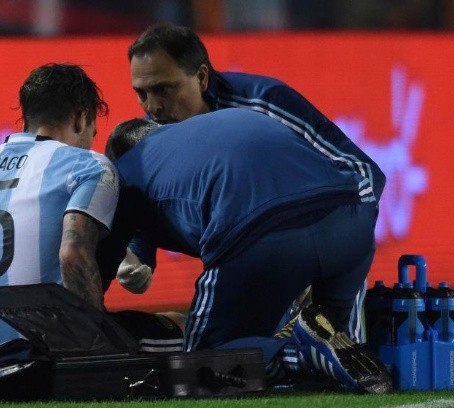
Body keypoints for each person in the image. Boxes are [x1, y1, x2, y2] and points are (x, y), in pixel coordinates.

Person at [124, 23, 385, 343]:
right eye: (141, 93)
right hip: (253, 260)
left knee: (208, 363)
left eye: (164, 89)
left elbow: (364, 171)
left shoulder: (264, 102)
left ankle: (340, 341)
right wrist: (136, 256)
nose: (152, 107)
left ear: (202, 78)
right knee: (258, 363)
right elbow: (147, 213)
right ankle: (316, 349)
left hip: (312, 237)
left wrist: (331, 237)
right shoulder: (155, 138)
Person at [99, 108, 391, 393]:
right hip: (352, 223)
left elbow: (98, 266)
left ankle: (298, 355)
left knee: (201, 364)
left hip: (264, 235)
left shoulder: (127, 174)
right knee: (333, 339)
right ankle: (334, 353)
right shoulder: (213, 128)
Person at [0, 63, 117, 371]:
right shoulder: (89, 166)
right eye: (93, 131)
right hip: (50, 363)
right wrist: (94, 362)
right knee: (175, 326)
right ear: (83, 118)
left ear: (27, 116)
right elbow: (73, 254)